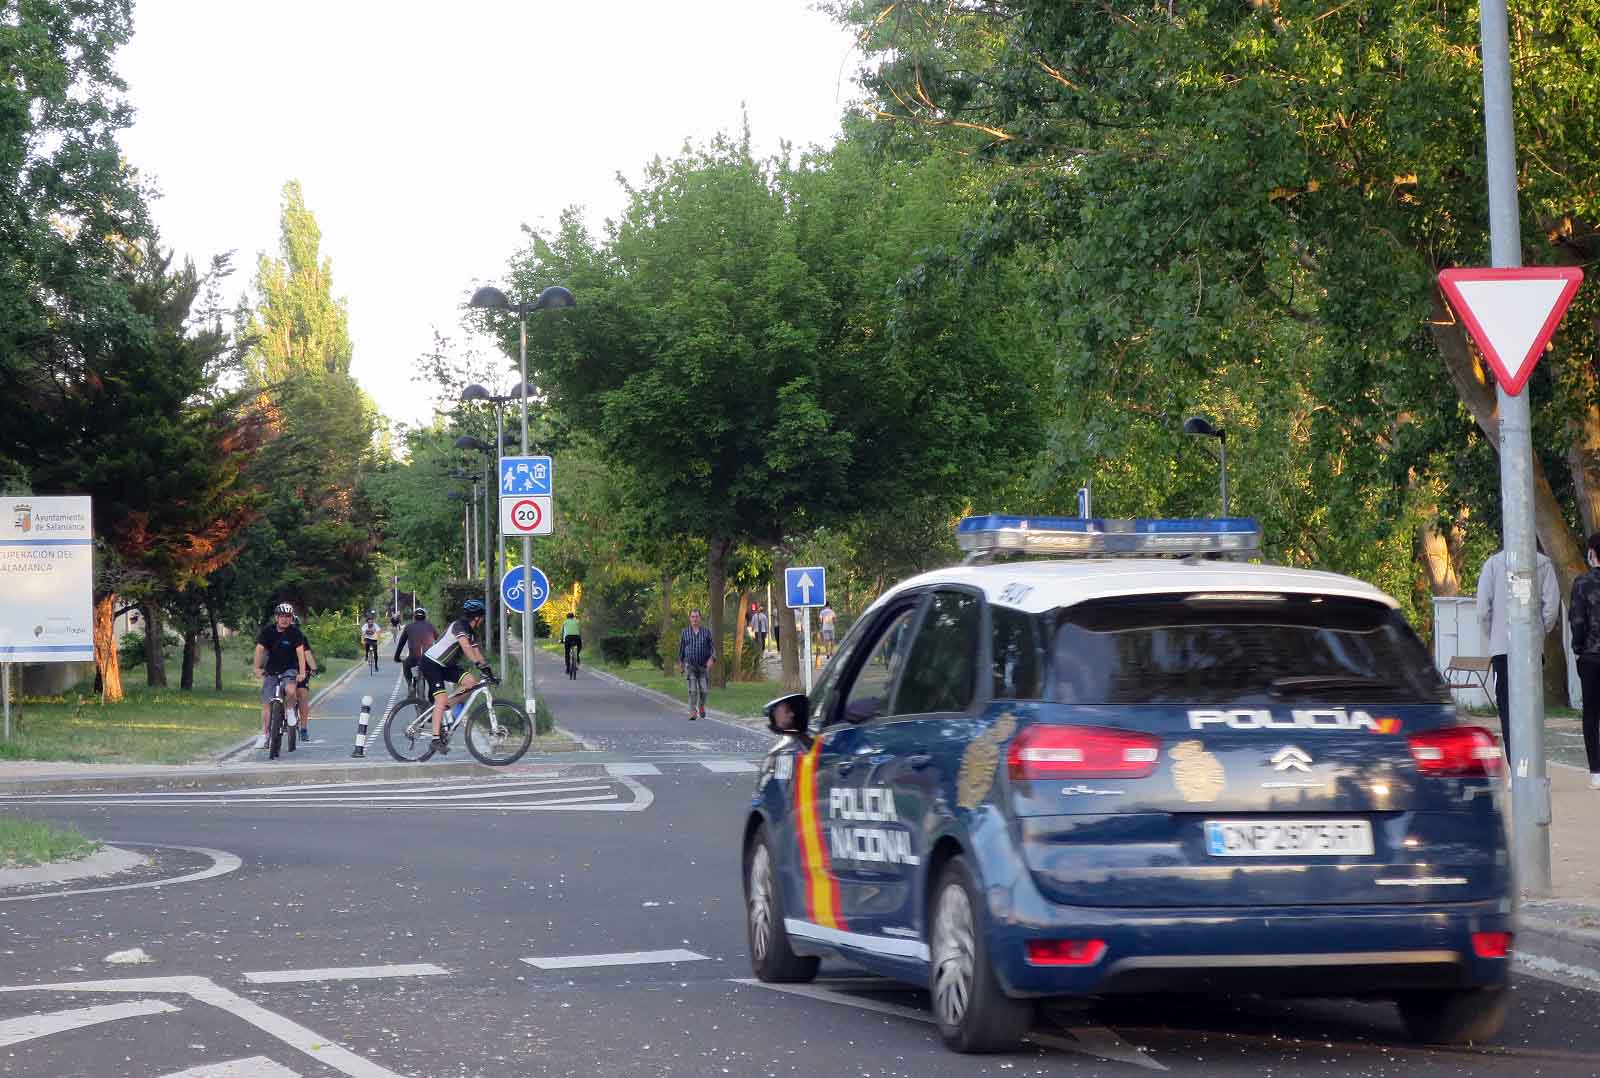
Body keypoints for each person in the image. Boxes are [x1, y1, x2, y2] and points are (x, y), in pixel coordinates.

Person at [1476, 543, 1561, 758]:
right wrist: (1538, 633)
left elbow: (1483, 610)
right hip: (1531, 650)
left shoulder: (1493, 565)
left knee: (1506, 708)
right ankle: (1531, 763)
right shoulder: (1543, 564)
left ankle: (1515, 767)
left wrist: (1494, 636)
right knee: (1530, 709)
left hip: (1502, 650)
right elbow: (1551, 606)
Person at [417, 599, 493, 753]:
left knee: (471, 682)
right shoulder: (459, 626)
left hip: (446, 665)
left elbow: (476, 652)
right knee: (440, 698)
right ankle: (435, 739)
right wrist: (477, 664)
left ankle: (445, 706)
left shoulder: (472, 632)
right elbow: (465, 646)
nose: (483, 620)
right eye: (482, 617)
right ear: (477, 617)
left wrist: (487, 670)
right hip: (431, 663)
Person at [1568, 533, 1600, 790]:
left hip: (1591, 657)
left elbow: (1577, 622)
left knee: (1591, 714)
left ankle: (1596, 771)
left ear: (1592, 553)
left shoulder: (1583, 583)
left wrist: (1578, 649)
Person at [252, 603, 308, 749]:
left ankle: (290, 711)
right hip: (272, 670)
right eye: (282, 616)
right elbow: (259, 649)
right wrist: (257, 668)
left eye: (288, 617)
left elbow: (301, 653)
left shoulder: (295, 633)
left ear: (291, 618)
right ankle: (264, 735)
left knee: (290, 691)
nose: (284, 619)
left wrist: (302, 673)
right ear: (276, 617)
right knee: (266, 702)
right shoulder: (268, 631)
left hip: (290, 669)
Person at [678, 608, 715, 720]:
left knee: (704, 690)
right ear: (690, 618)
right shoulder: (685, 632)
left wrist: (712, 659)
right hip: (690, 665)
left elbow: (712, 648)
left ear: (700, 618)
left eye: (696, 617)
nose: (695, 619)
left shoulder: (706, 632)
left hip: (703, 666)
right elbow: (681, 649)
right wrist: (681, 664)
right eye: (693, 616)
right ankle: (693, 711)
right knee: (692, 690)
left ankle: (701, 706)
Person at [394, 606, 439, 694]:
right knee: (433, 677)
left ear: (414, 617)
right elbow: (439, 640)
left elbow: (401, 643)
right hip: (428, 658)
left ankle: (410, 684)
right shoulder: (431, 626)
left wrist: (397, 657)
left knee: (406, 664)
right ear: (425, 617)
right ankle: (432, 694)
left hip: (413, 658)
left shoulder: (408, 627)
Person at [295, 617, 319, 742]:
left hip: (300, 671)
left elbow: (307, 654)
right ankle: (277, 720)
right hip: (283, 670)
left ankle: (303, 729)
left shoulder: (301, 638)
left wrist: (313, 668)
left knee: (303, 696)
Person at [561, 609, 583, 677]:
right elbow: (580, 630)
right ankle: (577, 656)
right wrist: (580, 638)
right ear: (573, 617)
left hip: (568, 638)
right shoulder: (577, 621)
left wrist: (561, 639)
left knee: (567, 653)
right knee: (580, 646)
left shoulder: (565, 622)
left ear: (567, 617)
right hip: (577, 637)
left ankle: (567, 669)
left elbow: (561, 632)